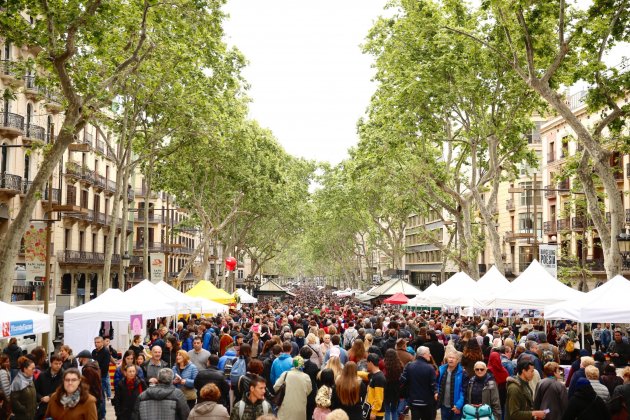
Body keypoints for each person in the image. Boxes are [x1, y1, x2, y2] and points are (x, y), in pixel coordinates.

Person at [400, 346, 436, 420]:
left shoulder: (409, 365)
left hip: (413, 400)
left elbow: (402, 380)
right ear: (424, 354)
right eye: (429, 353)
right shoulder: (430, 368)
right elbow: (433, 385)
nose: (430, 355)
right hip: (426, 401)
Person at [273, 355, 312, 420]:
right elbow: (309, 390)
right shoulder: (306, 377)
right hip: (300, 408)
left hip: (285, 406)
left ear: (292, 363)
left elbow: (276, 387)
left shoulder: (285, 374)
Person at [436, 349, 467, 420]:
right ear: (447, 359)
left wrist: (459, 405)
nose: (451, 360)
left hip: (456, 406)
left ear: (457, 360)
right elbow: (437, 384)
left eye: (453, 358)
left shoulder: (462, 373)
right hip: (444, 405)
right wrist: (437, 392)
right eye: (450, 357)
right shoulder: (441, 370)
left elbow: (464, 391)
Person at [34, 353, 63, 418]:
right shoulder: (42, 375)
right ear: (51, 363)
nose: (58, 365)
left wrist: (50, 397)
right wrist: (41, 398)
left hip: (57, 408)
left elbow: (63, 391)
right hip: (42, 408)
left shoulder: (64, 377)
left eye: (60, 363)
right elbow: (35, 390)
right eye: (56, 363)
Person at [10, 356, 37, 420]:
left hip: (31, 414)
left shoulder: (30, 379)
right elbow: (14, 401)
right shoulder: (17, 382)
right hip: (22, 416)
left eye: (34, 368)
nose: (34, 370)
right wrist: (25, 409)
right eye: (32, 369)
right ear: (25, 369)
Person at [92, 336, 114, 409]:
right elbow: (93, 363)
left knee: (101, 396)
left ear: (102, 343)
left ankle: (103, 414)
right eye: (95, 342)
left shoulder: (105, 351)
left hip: (102, 375)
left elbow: (105, 366)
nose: (96, 344)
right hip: (95, 375)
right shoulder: (94, 352)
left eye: (98, 342)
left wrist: (98, 371)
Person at [382, 349, 404, 420]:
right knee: (394, 410)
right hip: (396, 389)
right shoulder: (400, 365)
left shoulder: (383, 364)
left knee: (387, 410)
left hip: (386, 389)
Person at [365, 353, 386, 420]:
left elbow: (379, 398)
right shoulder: (374, 374)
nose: (366, 365)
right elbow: (365, 375)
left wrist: (373, 412)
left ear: (370, 362)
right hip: (371, 410)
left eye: (367, 363)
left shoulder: (379, 378)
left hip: (376, 413)